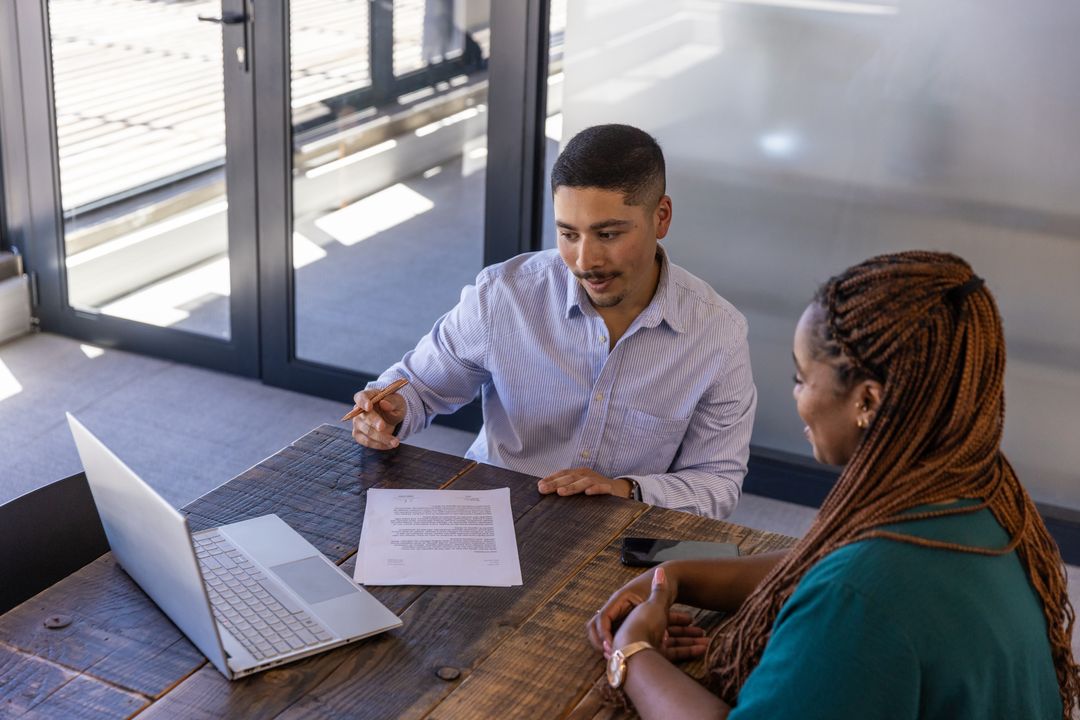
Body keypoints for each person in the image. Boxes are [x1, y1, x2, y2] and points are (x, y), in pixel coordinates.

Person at [586, 251, 1079, 718]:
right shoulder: (984, 499)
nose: (796, 397)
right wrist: (674, 578)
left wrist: (633, 653)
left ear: (866, 400)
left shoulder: (856, 601)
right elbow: (819, 564)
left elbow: (844, 586)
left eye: (802, 378)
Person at [349, 124, 756, 518]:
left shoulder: (717, 334)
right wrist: (390, 410)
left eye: (609, 235)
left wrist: (626, 490)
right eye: (568, 234)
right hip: (493, 515)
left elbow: (717, 483)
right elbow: (417, 386)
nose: (585, 261)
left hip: (615, 534)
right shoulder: (503, 295)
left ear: (661, 217)